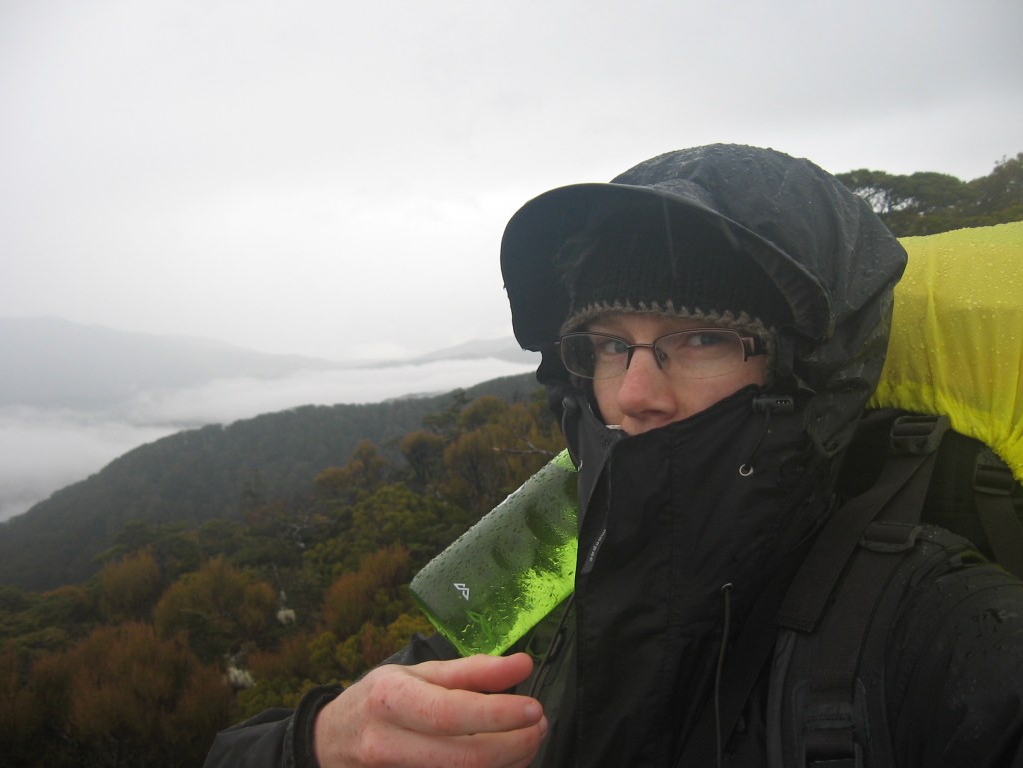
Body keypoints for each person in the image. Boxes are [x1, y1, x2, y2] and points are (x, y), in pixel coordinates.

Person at [203, 144, 1023, 767]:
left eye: (699, 337)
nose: (633, 394)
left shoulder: (936, 624)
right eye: (606, 344)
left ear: (804, 369)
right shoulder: (550, 536)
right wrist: (317, 740)